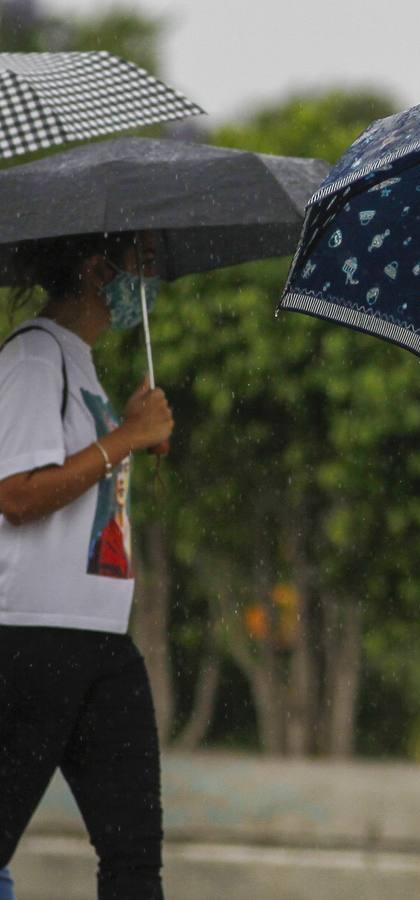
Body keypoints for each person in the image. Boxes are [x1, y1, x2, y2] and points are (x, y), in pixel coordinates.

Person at [0, 231, 175, 899]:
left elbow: (79, 477)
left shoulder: (81, 365)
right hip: (31, 635)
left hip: (99, 636)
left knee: (133, 855)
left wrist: (127, 439)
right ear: (99, 270)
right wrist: (124, 439)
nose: (151, 281)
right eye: (144, 265)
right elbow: (16, 495)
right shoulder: (34, 357)